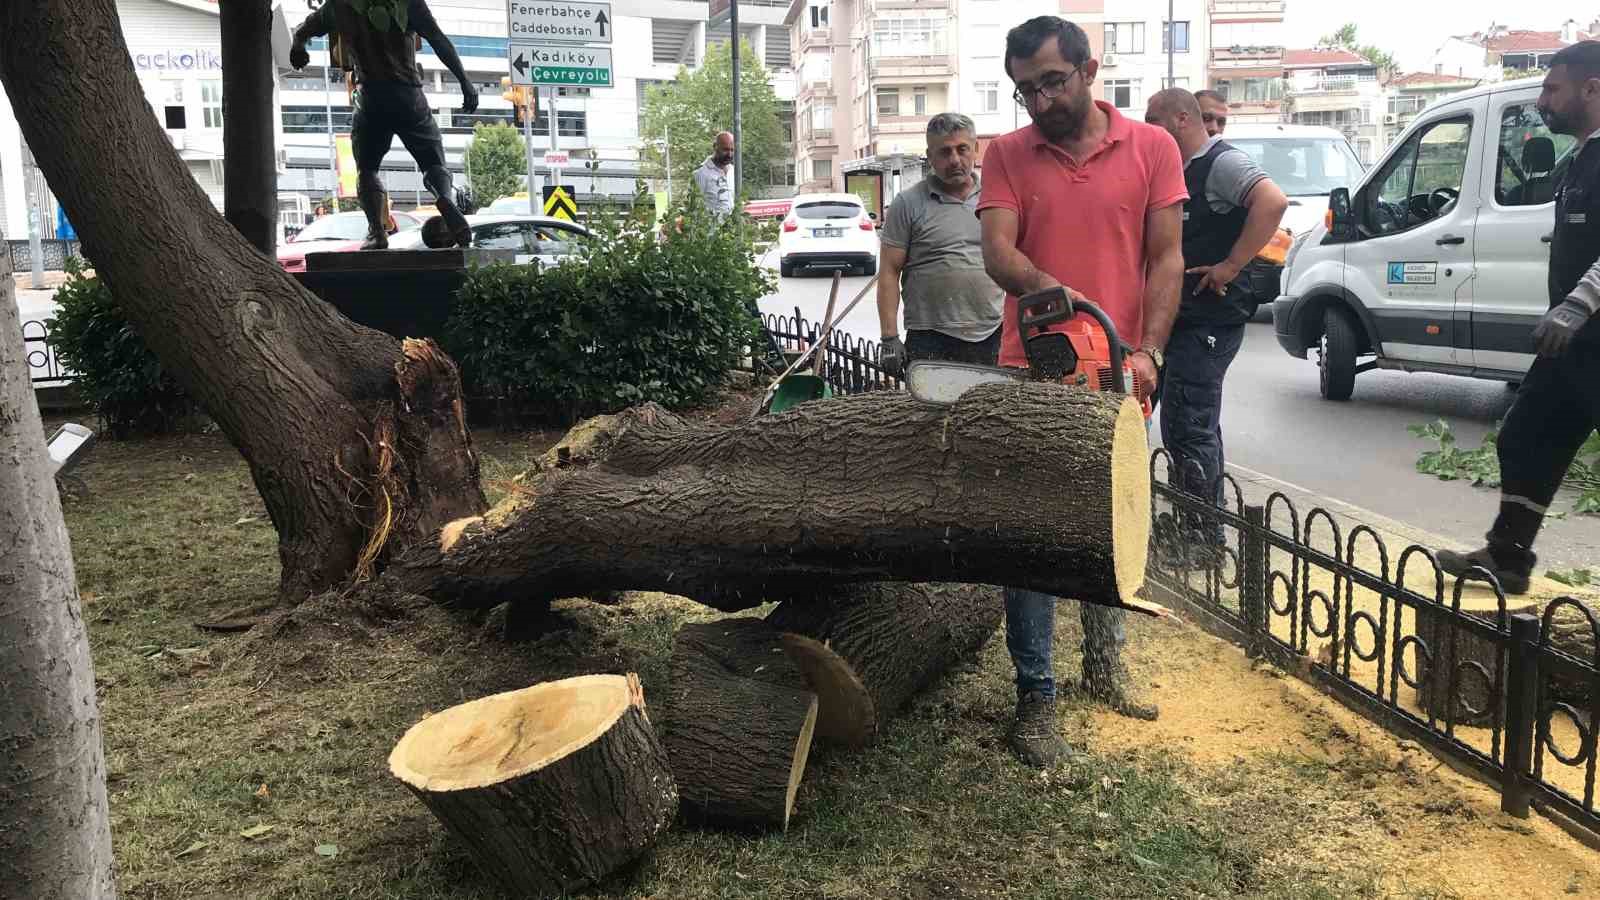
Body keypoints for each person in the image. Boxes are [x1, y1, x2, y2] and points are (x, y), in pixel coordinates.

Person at [977, 15, 1187, 767]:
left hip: (1119, 368)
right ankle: (1036, 696)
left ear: (1089, 70)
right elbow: (997, 251)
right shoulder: (1006, 154)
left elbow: (1167, 258)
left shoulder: (1153, 147)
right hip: (1031, 364)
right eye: (1025, 90)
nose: (1039, 101)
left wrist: (1150, 350)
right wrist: (1048, 288)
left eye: (1051, 83)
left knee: (1112, 523)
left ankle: (1105, 663)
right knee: (1031, 536)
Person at [1438, 42, 1600, 595]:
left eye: (1552, 89)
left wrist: (1577, 303)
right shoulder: (1579, 160)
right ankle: (1507, 557)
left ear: (1591, 89)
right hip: (1573, 346)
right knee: (1525, 436)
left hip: (1589, 332)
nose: (1542, 100)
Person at [1143, 88, 1288, 558]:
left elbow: (1273, 202)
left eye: (1153, 120)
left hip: (1211, 317)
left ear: (1181, 119)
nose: (1147, 130)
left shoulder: (1220, 162)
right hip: (1185, 316)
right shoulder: (1178, 169)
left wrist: (1230, 265)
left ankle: (1202, 538)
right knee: (1190, 422)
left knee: (1188, 423)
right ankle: (1200, 523)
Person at [290, 0, 476, 250]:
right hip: (409, 96)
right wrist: (464, 81)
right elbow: (438, 40)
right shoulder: (407, 3)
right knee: (433, 163)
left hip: (371, 98)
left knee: (367, 169)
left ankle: (377, 232)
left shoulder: (340, 6)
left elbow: (303, 31)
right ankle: (444, 198)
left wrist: (298, 46)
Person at [877, 113, 1003, 375]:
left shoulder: (997, 198)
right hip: (930, 337)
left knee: (988, 403)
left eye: (962, 149)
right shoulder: (908, 203)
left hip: (991, 333)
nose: (954, 160)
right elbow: (889, 271)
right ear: (930, 156)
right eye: (944, 152)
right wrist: (889, 337)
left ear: (976, 149)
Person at [694, 132, 736, 219]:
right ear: (715, 147)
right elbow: (694, 207)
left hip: (732, 226)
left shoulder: (733, 171)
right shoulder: (701, 173)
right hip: (711, 226)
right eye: (725, 150)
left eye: (732, 150)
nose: (729, 154)